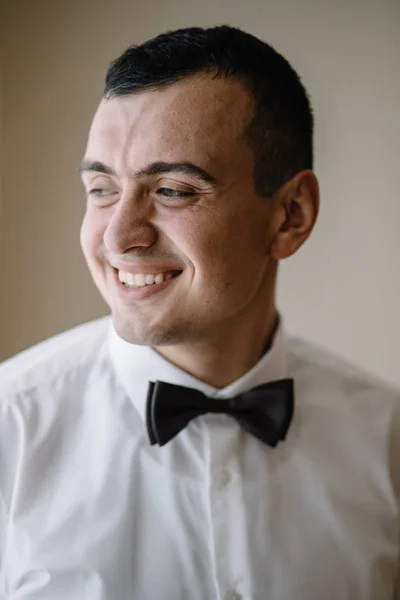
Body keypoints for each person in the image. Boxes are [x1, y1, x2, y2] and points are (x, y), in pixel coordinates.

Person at [0, 24, 399, 600]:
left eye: (173, 190)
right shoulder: (10, 429)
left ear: (291, 215)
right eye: (101, 189)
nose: (119, 237)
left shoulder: (386, 442)